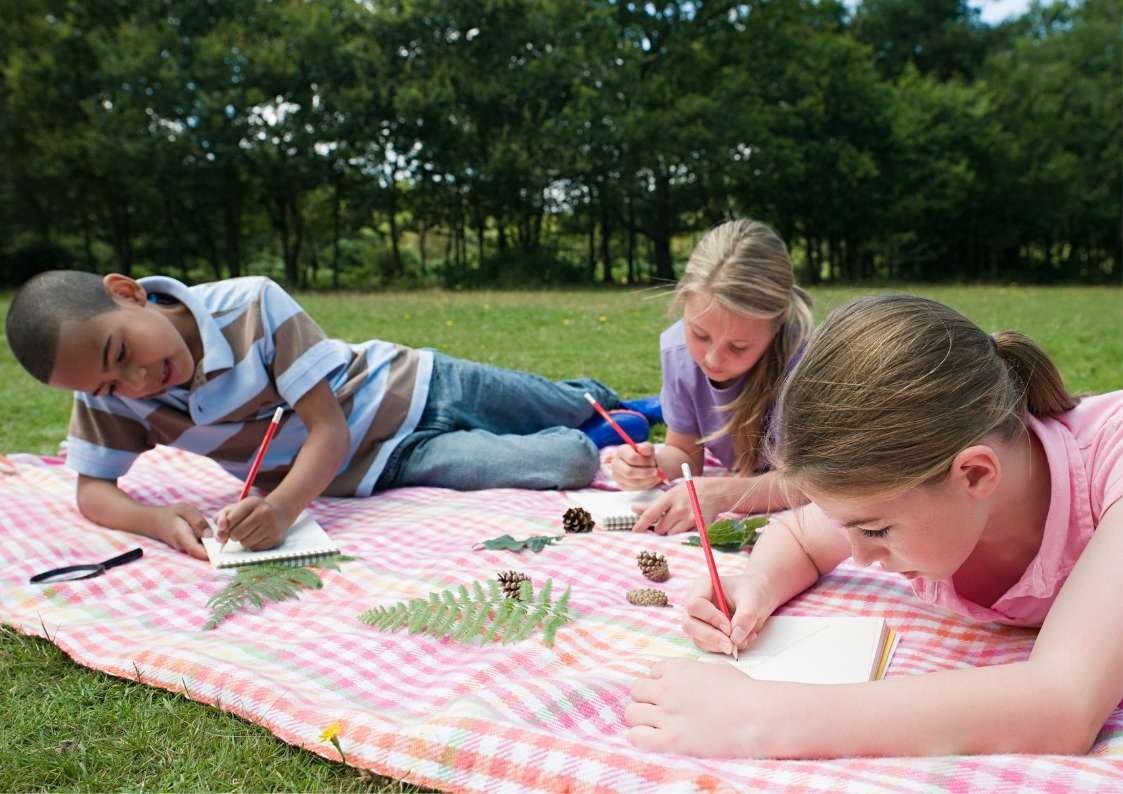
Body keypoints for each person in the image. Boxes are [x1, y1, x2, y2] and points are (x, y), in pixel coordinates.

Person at [625, 294, 1123, 758]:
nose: (860, 557)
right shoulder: (918, 485)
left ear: (974, 473)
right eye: (850, 529)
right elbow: (800, 535)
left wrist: (758, 716)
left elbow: (1063, 704)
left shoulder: (1111, 466)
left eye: (877, 532)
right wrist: (755, 584)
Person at [5, 271, 661, 558]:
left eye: (123, 352)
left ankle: (613, 406)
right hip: (386, 465)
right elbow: (92, 491)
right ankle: (601, 431)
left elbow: (328, 426)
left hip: (419, 386)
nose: (137, 381)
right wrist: (154, 518)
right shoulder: (110, 393)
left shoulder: (253, 305)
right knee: (570, 460)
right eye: (110, 384)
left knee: (574, 405)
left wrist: (283, 511)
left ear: (128, 294)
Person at [612, 218, 812, 534]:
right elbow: (686, 453)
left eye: (739, 346)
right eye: (700, 334)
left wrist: (723, 495)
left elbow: (812, 481)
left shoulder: (806, 367)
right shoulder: (678, 352)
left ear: (778, 325)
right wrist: (651, 467)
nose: (713, 359)